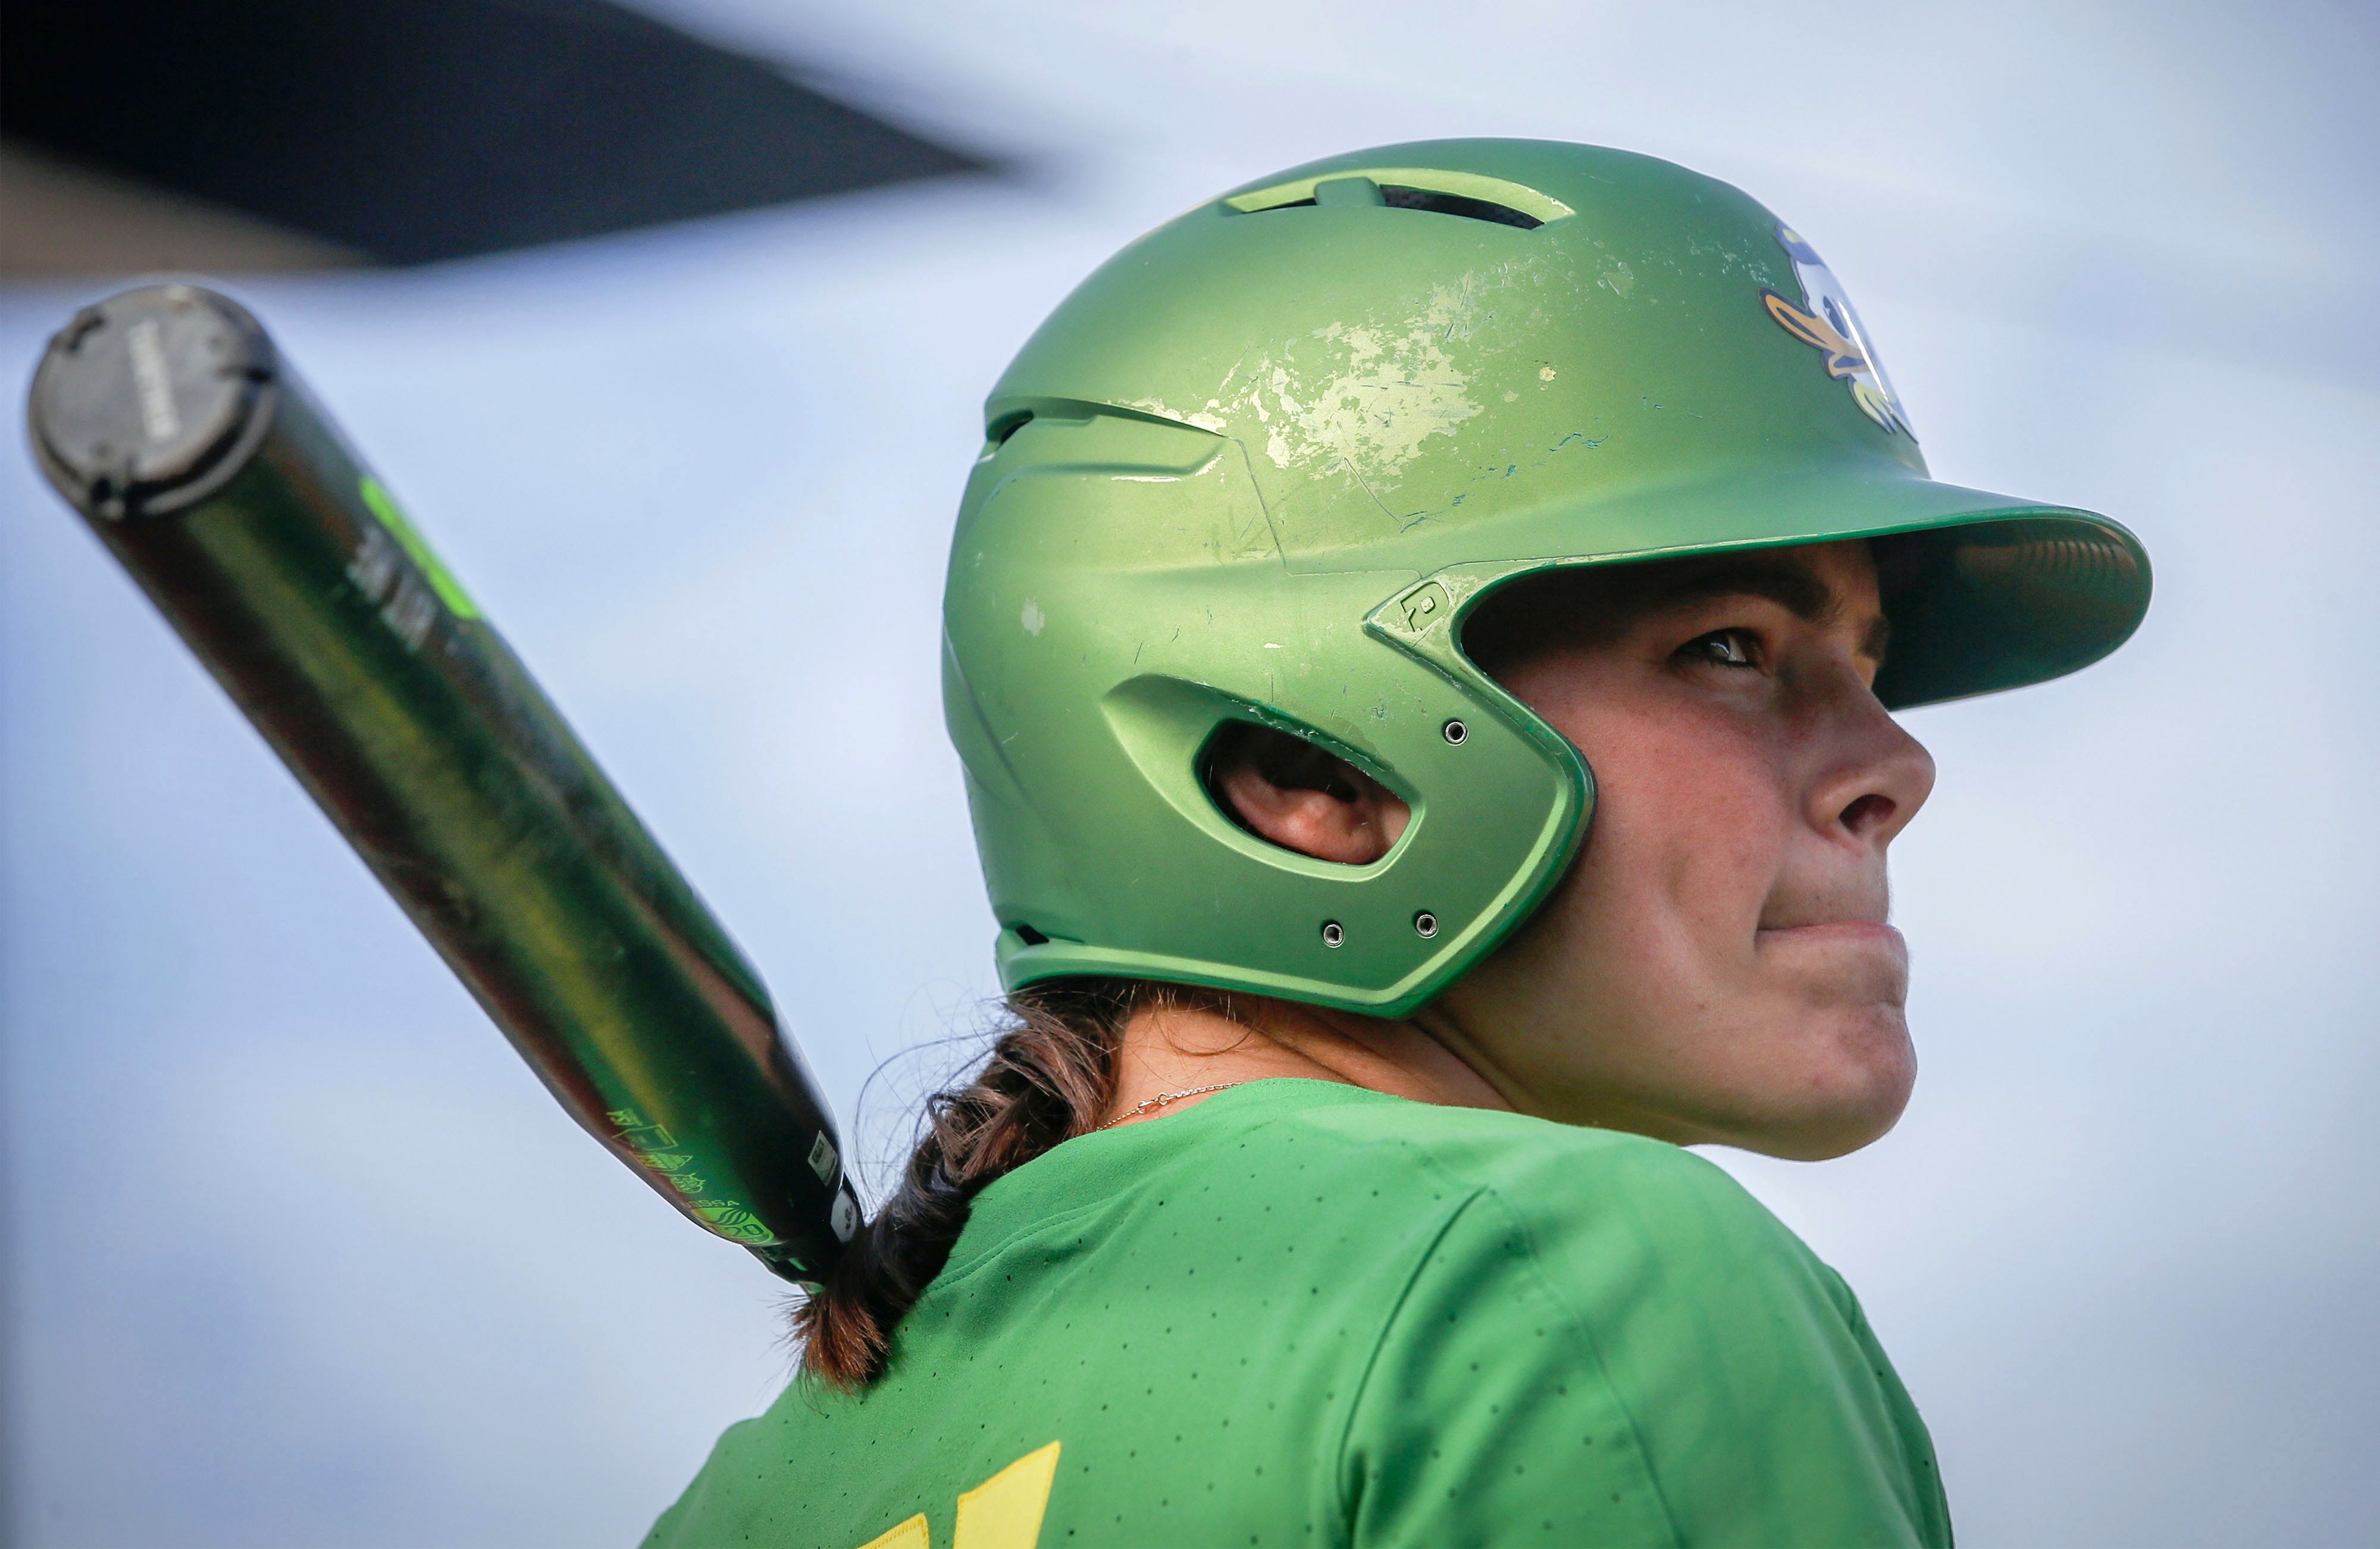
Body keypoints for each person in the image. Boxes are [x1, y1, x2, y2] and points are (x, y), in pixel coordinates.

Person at [645, 139, 2149, 1548]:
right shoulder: (1558, 1276)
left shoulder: (746, 1500)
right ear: (1305, 766)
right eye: (1729, 649)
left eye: (1870, 668)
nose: (1896, 765)